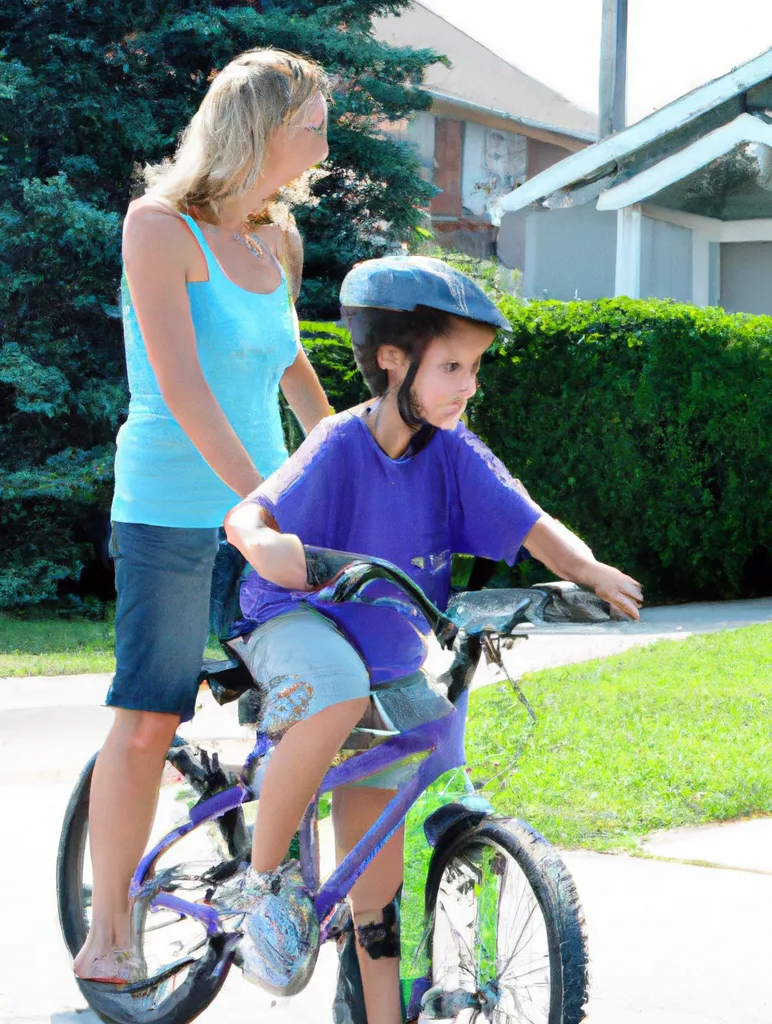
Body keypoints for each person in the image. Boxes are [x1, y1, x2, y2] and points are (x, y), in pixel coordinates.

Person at [222, 255, 644, 1023]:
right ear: (392, 357)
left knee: (376, 894)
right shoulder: (340, 442)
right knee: (339, 690)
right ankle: (262, 887)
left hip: (384, 658)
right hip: (296, 620)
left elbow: (531, 522)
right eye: (452, 365)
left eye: (475, 368)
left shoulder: (454, 454)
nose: (467, 385)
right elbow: (249, 516)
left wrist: (589, 570)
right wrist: (268, 551)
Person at [73, 48, 334, 985]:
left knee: (316, 698)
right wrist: (255, 504)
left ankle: (277, 891)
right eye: (312, 118)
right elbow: (182, 387)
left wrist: (362, 469)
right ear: (259, 124)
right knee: (148, 718)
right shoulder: (158, 227)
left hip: (261, 514)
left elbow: (297, 380)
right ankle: (108, 933)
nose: (324, 136)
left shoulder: (278, 242)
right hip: (176, 514)